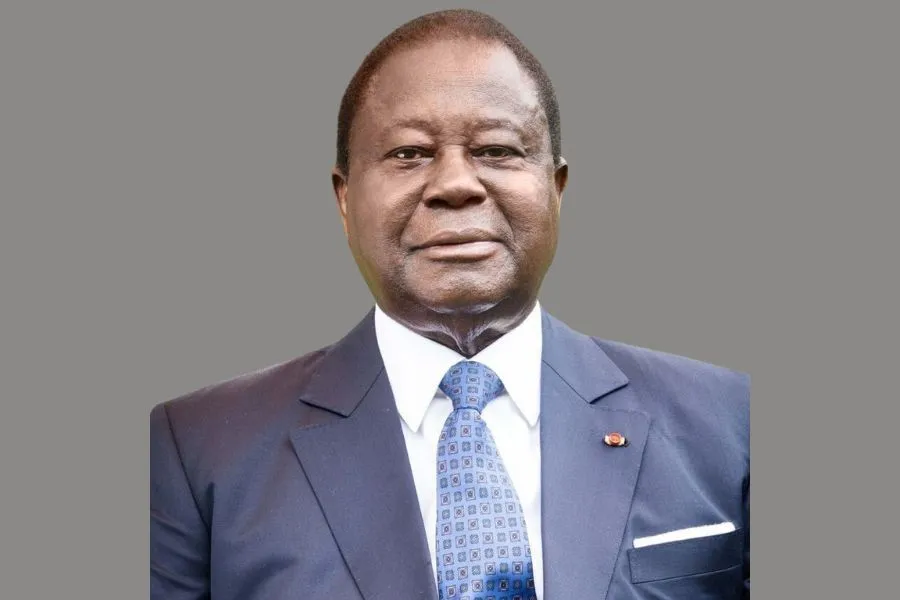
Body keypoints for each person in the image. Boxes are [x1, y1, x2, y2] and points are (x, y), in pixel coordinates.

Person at [150, 9, 749, 600]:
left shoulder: (729, 420)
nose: (456, 184)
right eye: (409, 153)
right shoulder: (197, 449)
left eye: (497, 149)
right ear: (344, 199)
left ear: (556, 188)